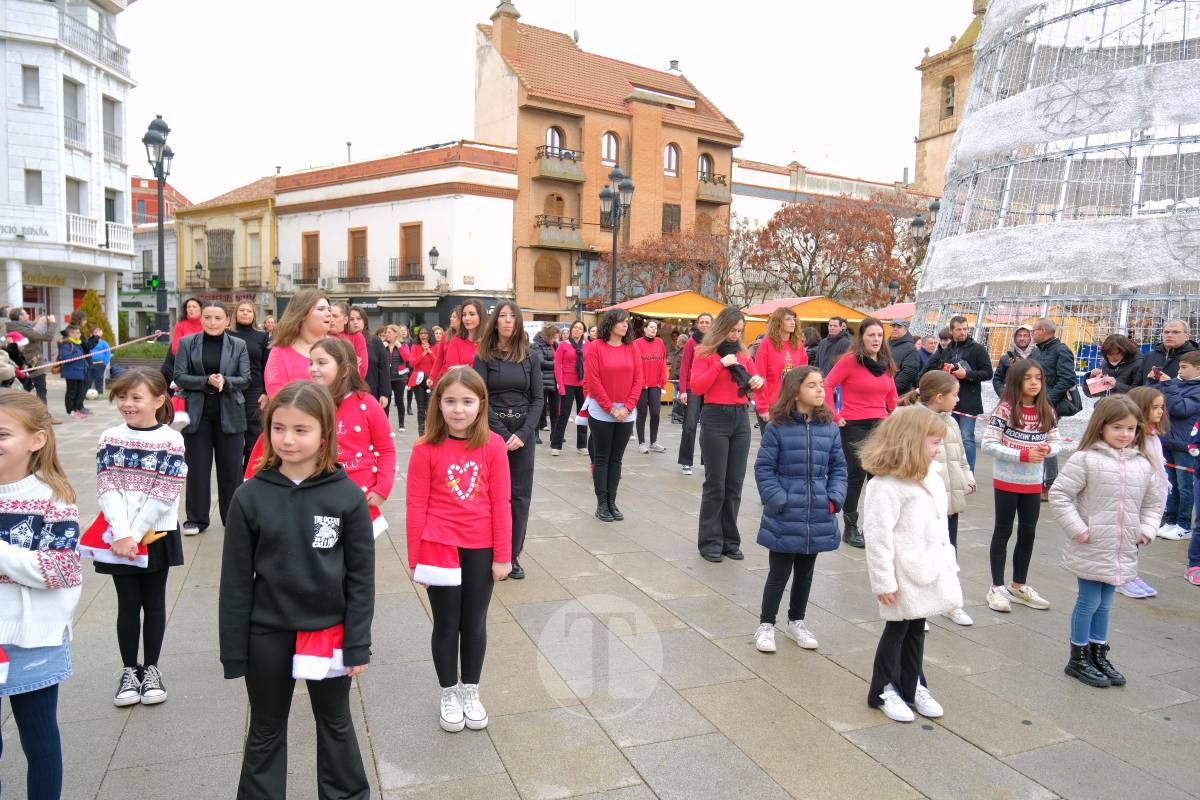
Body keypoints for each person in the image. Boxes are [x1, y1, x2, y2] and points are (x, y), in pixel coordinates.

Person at [220, 382, 374, 799]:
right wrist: (234, 649)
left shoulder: (346, 496)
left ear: (325, 432)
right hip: (267, 633)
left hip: (328, 632)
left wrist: (358, 642)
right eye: (279, 428)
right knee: (266, 728)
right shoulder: (249, 496)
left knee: (336, 723)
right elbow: (234, 580)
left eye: (301, 430)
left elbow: (361, 576)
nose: (288, 439)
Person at [406, 366, 512, 732]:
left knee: (475, 623)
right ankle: (448, 691)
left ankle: (471, 690)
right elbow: (416, 503)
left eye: (467, 401)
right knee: (447, 624)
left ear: (480, 404)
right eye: (450, 401)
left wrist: (503, 555)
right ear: (439, 403)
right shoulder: (425, 449)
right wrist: (415, 557)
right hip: (439, 548)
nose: (458, 409)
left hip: (481, 548)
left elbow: (502, 502)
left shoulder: (494, 445)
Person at [1050, 395, 1166, 688]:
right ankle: (1077, 658)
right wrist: (1079, 529)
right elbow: (1061, 494)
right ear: (1101, 426)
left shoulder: (1143, 463)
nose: (1124, 434)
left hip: (1122, 547)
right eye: (1117, 428)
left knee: (1106, 603)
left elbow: (1154, 501)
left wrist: (1147, 529)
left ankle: (1097, 652)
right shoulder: (1086, 458)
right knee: (1089, 600)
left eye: (1130, 429)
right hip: (1091, 544)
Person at [0, 391, 82, 798]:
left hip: (33, 638)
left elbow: (61, 569)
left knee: (39, 740)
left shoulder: (54, 497)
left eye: (1, 434)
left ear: (37, 439)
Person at [861, 405, 961, 723]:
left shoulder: (929, 477)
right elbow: (878, 537)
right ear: (910, 441)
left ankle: (912, 683)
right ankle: (882, 689)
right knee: (897, 630)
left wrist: (948, 569)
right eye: (933, 443)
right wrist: (884, 581)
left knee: (917, 628)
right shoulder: (884, 486)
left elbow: (939, 531)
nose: (937, 450)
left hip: (926, 569)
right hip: (902, 573)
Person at [91, 369, 186, 706]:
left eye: (136, 397)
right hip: (119, 536)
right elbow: (107, 486)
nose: (127, 404)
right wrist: (122, 532)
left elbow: (164, 491)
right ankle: (130, 670)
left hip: (156, 533)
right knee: (127, 604)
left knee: (155, 601)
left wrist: (135, 533)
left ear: (159, 401)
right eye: (122, 396)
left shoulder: (172, 440)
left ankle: (152, 669)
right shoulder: (109, 437)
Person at [753, 366, 847, 653]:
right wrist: (777, 499)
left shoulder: (829, 428)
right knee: (778, 573)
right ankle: (766, 624)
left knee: (805, 573)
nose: (820, 390)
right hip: (785, 513)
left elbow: (839, 468)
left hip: (817, 511)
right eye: (812, 385)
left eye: (821, 385)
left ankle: (797, 621)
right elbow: (764, 468)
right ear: (795, 392)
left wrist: (833, 499)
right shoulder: (778, 427)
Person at [981, 358, 1060, 613]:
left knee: (1028, 532)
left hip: (1033, 483)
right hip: (1006, 480)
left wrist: (1048, 448)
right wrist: (1022, 455)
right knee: (1003, 531)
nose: (1034, 382)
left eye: (1038, 377)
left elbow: (1057, 441)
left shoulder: (1046, 409)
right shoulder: (1005, 409)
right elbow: (989, 444)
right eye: (1028, 378)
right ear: (1017, 380)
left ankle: (1019, 585)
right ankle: (996, 587)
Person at [898, 371, 975, 626]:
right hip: (924, 500)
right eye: (954, 395)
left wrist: (967, 475)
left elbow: (960, 452)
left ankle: (950, 602)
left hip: (948, 498)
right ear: (940, 396)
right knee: (921, 550)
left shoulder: (951, 421)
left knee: (948, 549)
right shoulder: (914, 420)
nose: (958, 399)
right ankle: (918, 603)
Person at [472, 302, 542, 578]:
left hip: (523, 430)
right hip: (492, 430)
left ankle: (513, 555)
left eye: (512, 316)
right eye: (502, 316)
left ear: (519, 322)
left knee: (520, 497)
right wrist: (501, 433)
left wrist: (524, 434)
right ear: (495, 321)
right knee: (493, 495)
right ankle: (490, 549)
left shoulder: (530, 356)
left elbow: (538, 398)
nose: (507, 321)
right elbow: (479, 396)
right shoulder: (484, 356)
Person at [689, 307, 764, 560]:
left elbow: (755, 383)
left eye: (740, 331)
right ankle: (710, 540)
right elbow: (697, 387)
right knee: (715, 484)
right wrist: (719, 365)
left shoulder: (744, 354)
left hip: (740, 418)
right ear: (721, 328)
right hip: (715, 417)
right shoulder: (705, 352)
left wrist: (758, 382)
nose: (735, 335)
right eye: (732, 330)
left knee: (734, 484)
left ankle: (730, 539)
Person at [302, 337, 396, 536]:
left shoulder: (368, 404)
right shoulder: (309, 404)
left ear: (345, 370)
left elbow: (386, 449)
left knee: (357, 559)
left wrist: (383, 488)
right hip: (319, 494)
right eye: (311, 363)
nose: (313, 368)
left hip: (360, 497)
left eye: (321, 363)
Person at [173, 301, 251, 536]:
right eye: (207, 317)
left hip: (230, 413)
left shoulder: (238, 345)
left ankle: (233, 518)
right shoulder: (188, 343)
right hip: (197, 414)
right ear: (201, 319)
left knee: (232, 470)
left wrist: (225, 381)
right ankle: (196, 519)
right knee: (197, 468)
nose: (212, 322)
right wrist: (205, 380)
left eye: (218, 318)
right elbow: (179, 376)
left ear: (227, 320)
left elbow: (245, 379)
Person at [823, 318, 897, 549]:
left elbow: (891, 393)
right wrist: (834, 414)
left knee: (878, 478)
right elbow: (826, 385)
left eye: (879, 335)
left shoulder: (885, 363)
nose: (876, 340)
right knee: (855, 476)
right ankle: (850, 528)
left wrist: (892, 414)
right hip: (854, 424)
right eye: (871, 335)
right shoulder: (850, 361)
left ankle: (872, 527)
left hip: (880, 425)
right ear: (861, 338)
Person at [584, 309, 643, 522]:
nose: (625, 325)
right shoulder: (595, 347)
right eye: (621, 321)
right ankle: (601, 504)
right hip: (602, 411)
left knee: (616, 459)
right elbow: (593, 381)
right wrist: (610, 408)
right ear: (610, 323)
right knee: (602, 458)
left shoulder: (632, 348)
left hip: (626, 411)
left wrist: (626, 408)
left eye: (627, 321)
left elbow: (638, 380)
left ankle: (612, 502)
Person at [920, 315, 993, 472]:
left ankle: (969, 473)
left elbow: (988, 373)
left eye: (965, 329)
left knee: (966, 437)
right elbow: (933, 368)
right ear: (951, 331)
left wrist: (967, 374)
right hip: (947, 400)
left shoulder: (978, 349)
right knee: (947, 437)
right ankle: (950, 471)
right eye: (958, 329)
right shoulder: (947, 350)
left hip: (968, 400)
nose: (962, 332)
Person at [1123, 386, 1167, 597]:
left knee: (1136, 537)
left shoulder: (1154, 436)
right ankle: (1123, 576)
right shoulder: (1133, 439)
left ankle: (1130, 573)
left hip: (1149, 495)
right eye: (1155, 407)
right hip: (1134, 495)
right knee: (1127, 537)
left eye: (1161, 407)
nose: (1160, 412)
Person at [1155, 350, 1200, 541]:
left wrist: (1167, 386)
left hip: (1185, 444)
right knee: (1170, 485)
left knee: (1185, 486)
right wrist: (1154, 382)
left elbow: (1181, 409)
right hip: (1168, 439)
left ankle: (1184, 525)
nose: (1179, 371)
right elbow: (1156, 402)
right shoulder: (1176, 383)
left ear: (1198, 368)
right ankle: (1171, 521)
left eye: (1184, 367)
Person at [1030, 318, 1079, 494]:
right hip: (1033, 402)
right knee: (1035, 439)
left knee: (1046, 440)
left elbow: (1068, 379)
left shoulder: (1061, 350)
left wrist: (1047, 400)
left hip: (1050, 404)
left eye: (1034, 330)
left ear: (1043, 331)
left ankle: (1050, 484)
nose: (1032, 334)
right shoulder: (1036, 352)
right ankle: (1036, 479)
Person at [263, 289, 332, 398]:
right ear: (302, 314)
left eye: (329, 309)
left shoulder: (338, 347)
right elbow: (276, 396)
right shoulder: (280, 352)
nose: (328, 314)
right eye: (321, 309)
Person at [228, 302, 269, 470]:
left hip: (255, 390)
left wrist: (266, 392)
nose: (245, 313)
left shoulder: (261, 336)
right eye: (242, 310)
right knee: (232, 432)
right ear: (235, 313)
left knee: (254, 432)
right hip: (231, 387)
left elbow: (267, 365)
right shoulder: (226, 334)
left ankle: (250, 473)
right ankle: (234, 473)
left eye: (249, 311)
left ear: (254, 315)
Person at [753, 307, 807, 429]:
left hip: (794, 405)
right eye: (788, 319)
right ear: (778, 322)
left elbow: (804, 377)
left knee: (793, 446)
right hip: (772, 406)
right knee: (772, 446)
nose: (792, 322)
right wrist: (762, 407)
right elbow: (759, 378)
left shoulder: (798, 345)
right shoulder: (766, 344)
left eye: (794, 319)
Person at [677, 312, 713, 475]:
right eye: (702, 322)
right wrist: (683, 390)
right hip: (693, 387)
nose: (704, 325)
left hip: (711, 388)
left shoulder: (716, 341)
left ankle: (708, 461)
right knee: (690, 424)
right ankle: (686, 462)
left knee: (710, 425)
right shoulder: (691, 342)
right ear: (698, 324)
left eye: (707, 322)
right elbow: (684, 367)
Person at [551, 320, 589, 456]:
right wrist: (560, 385)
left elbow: (590, 365)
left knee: (583, 415)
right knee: (564, 415)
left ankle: (582, 445)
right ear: (571, 330)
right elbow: (557, 366)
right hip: (567, 383)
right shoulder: (563, 345)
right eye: (575, 328)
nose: (577, 330)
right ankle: (556, 445)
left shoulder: (587, 345)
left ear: (583, 331)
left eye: (580, 328)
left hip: (583, 384)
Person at [6, 308, 56, 409]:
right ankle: (43, 415)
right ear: (20, 317)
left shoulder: (16, 326)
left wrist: (34, 323)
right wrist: (52, 323)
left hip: (29, 359)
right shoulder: (21, 329)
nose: (28, 315)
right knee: (40, 388)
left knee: (37, 388)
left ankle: (41, 414)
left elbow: (29, 330)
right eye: (26, 313)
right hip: (31, 361)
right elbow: (47, 337)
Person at [430, 300, 485, 386]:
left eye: (472, 314)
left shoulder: (489, 341)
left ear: (481, 316)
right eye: (464, 315)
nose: (466, 318)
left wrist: (464, 367)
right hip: (456, 384)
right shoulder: (454, 340)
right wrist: (432, 376)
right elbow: (451, 368)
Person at [634, 319, 669, 453]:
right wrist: (640, 382)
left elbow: (663, 360)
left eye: (656, 327)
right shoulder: (636, 344)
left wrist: (663, 379)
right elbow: (635, 364)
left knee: (655, 413)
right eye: (651, 327)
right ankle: (641, 443)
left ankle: (653, 442)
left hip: (655, 384)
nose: (654, 329)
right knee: (642, 413)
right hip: (641, 384)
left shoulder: (660, 342)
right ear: (645, 329)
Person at [348, 307, 389, 411]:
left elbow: (384, 368)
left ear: (365, 322)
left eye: (359, 318)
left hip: (372, 391)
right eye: (351, 319)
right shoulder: (343, 340)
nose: (355, 322)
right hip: (348, 392)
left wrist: (384, 393)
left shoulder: (375, 341)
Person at [1135, 319, 1198, 385]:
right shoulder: (1149, 356)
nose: (1169, 335)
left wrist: (1168, 384)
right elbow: (1137, 384)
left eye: (1175, 332)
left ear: (1187, 336)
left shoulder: (1195, 358)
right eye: (1166, 332)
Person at [531, 322, 559, 444]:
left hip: (555, 381)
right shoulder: (536, 345)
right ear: (548, 335)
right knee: (540, 409)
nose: (555, 339)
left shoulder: (556, 345)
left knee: (555, 409)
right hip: (542, 381)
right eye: (554, 337)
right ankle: (535, 434)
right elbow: (540, 362)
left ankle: (555, 435)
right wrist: (558, 365)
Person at [382, 325, 412, 432]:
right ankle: (385, 425)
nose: (387, 334)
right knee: (386, 402)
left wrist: (399, 346)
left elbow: (407, 358)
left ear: (395, 334)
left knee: (399, 400)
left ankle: (401, 424)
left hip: (399, 377)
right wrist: (382, 347)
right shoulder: (383, 345)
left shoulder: (404, 345)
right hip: (386, 377)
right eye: (386, 332)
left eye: (389, 332)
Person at [57, 323, 90, 418]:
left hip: (80, 371)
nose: (77, 334)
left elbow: (83, 356)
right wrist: (78, 356)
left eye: (79, 332)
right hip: (71, 372)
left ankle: (76, 409)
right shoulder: (66, 344)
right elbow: (64, 357)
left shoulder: (78, 343)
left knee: (79, 391)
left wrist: (85, 364)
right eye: (74, 333)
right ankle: (70, 410)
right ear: (69, 334)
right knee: (71, 392)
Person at [407, 327, 436, 435]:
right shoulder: (415, 346)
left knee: (430, 407)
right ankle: (421, 433)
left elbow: (437, 362)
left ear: (429, 335)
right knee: (420, 407)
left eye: (425, 333)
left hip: (431, 379)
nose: (423, 335)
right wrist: (423, 353)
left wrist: (430, 352)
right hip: (419, 378)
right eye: (421, 333)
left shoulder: (435, 346)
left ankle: (430, 432)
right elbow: (412, 362)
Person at [991, 325, 1035, 396]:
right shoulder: (1006, 358)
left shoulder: (1039, 356)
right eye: (1019, 336)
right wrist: (1003, 394)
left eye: (1026, 336)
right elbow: (997, 379)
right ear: (1014, 338)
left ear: (1031, 338)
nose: (1022, 338)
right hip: (1011, 399)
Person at [328, 302, 368, 380]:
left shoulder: (356, 337)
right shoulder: (320, 334)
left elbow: (362, 369)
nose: (331, 319)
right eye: (329, 316)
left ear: (345, 319)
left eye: (335, 316)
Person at [888, 318, 921, 395]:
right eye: (893, 326)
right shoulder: (885, 344)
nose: (895, 329)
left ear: (906, 329)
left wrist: (891, 388)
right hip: (882, 390)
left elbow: (909, 373)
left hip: (897, 394)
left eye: (899, 327)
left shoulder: (910, 348)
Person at [86, 326, 112, 396]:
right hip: (89, 364)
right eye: (95, 333)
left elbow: (108, 353)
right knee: (88, 379)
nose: (97, 334)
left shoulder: (104, 343)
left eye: (98, 332)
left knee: (99, 379)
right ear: (91, 334)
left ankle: (100, 393)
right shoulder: (88, 343)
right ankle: (86, 394)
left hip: (100, 364)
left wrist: (105, 363)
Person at [669, 330, 687, 424]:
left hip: (679, 378)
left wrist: (677, 374)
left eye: (678, 339)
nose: (676, 341)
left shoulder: (684, 352)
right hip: (676, 378)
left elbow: (682, 367)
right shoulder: (679, 350)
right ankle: (676, 414)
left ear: (681, 341)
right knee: (676, 397)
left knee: (678, 398)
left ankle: (679, 415)